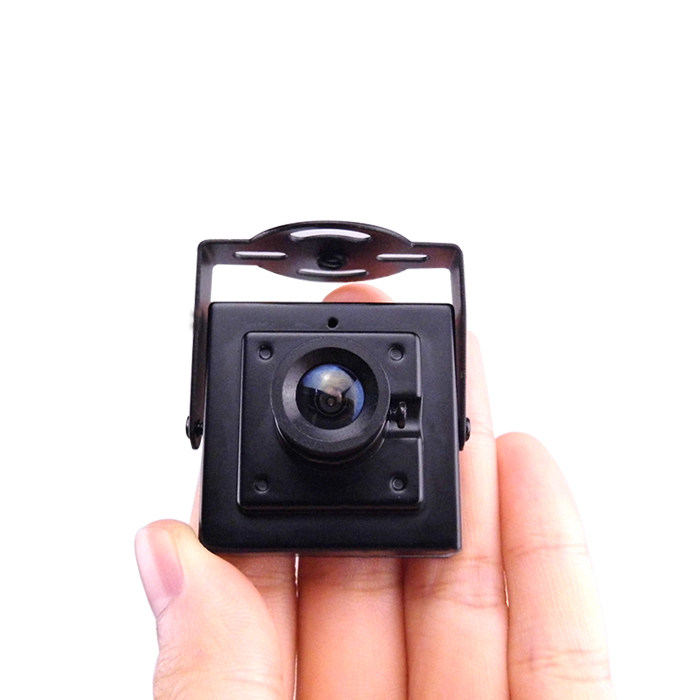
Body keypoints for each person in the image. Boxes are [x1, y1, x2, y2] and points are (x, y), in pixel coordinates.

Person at [135, 284, 615, 699]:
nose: (332, 398)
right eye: (325, 400)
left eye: (339, 400)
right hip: (295, 483)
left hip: (328, 484)